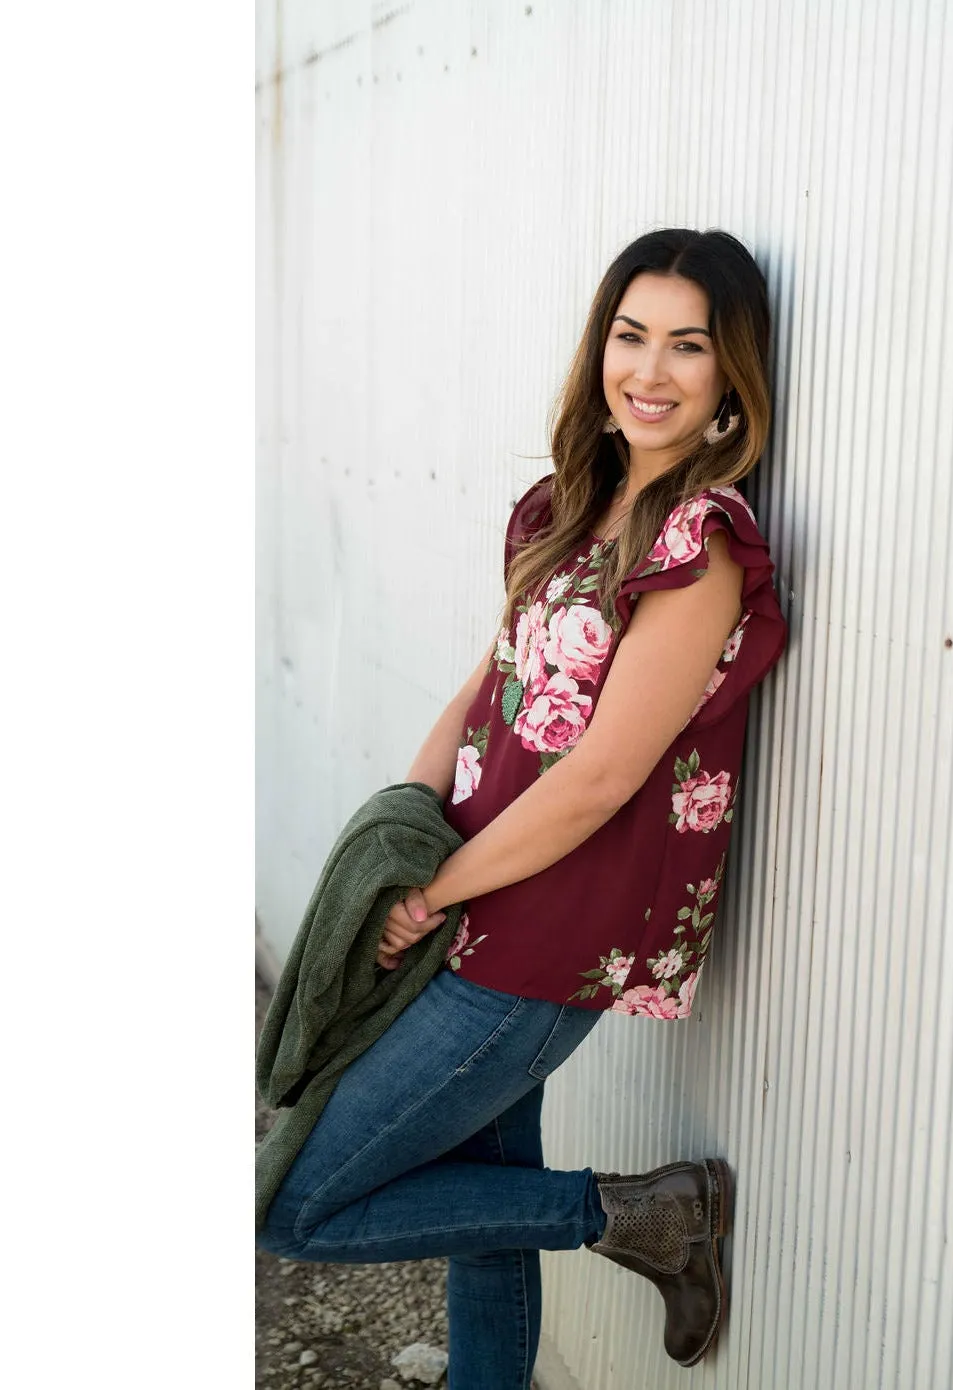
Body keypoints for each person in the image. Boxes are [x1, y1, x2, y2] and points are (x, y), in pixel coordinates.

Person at [256, 228, 788, 1388]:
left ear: (729, 378)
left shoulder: (698, 551)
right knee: (483, 1199)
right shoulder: (566, 505)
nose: (648, 370)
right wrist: (407, 834)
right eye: (629, 335)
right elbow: (484, 684)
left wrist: (432, 898)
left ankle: (640, 1215)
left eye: (686, 346)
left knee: (294, 1206)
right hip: (473, 894)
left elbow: (601, 776)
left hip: (548, 935)